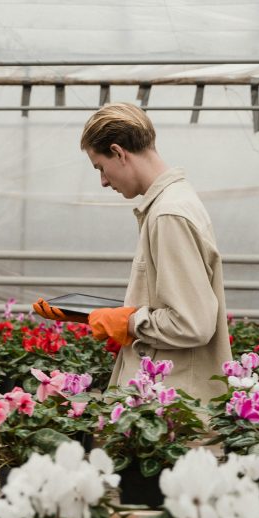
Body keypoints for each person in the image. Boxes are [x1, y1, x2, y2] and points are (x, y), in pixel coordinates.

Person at [33, 103, 231, 403]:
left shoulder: (168, 214)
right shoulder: (171, 204)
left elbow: (193, 323)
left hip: (170, 403)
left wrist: (126, 322)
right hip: (166, 397)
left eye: (100, 167)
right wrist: (111, 315)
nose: (102, 180)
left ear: (119, 152)